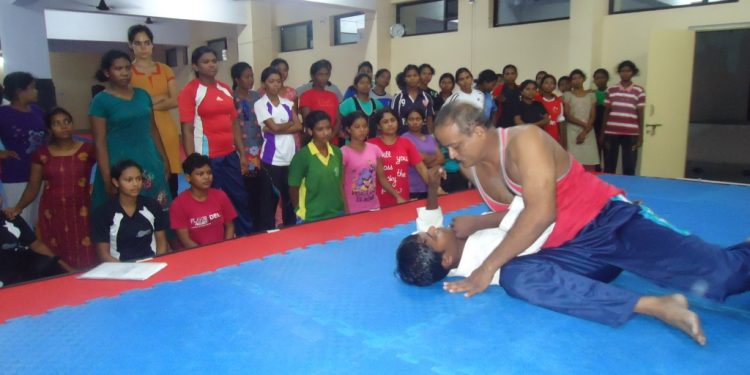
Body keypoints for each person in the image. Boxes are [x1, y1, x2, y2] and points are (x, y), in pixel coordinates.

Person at [431, 101, 750, 345]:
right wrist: (481, 222)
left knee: (725, 277)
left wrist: (485, 268)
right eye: (447, 147)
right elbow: (519, 209)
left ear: (478, 132)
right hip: (572, 250)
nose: (452, 153)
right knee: (516, 275)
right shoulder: (471, 168)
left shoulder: (524, 140)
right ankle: (655, 305)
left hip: (609, 224)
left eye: (456, 145)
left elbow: (542, 213)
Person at [396, 167, 552, 286]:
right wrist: (480, 222)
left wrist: (432, 188)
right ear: (446, 259)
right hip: (553, 213)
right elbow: (537, 219)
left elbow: (428, 224)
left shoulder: (445, 256)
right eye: (432, 235)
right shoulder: (486, 259)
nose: (431, 229)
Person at [3, 108, 97, 270]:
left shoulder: (88, 150)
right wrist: (18, 208)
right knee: (57, 256)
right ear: (49, 128)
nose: (63, 126)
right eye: (57, 123)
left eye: (67, 122)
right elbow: (33, 186)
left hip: (82, 209)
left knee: (87, 255)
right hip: (53, 212)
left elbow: (104, 172)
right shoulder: (41, 154)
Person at [178, 46, 252, 236]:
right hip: (207, 158)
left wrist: (242, 153)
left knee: (239, 197)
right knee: (211, 202)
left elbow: (234, 122)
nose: (211, 65)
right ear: (195, 66)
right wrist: (193, 162)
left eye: (213, 60)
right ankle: (216, 241)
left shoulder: (225, 88)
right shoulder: (190, 91)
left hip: (229, 155)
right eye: (205, 62)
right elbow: (186, 129)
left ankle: (245, 238)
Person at [89, 50, 171, 214]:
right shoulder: (100, 101)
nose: (124, 73)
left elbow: (153, 129)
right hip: (119, 162)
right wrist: (107, 177)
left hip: (149, 159)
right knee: (123, 212)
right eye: (118, 69)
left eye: (127, 68)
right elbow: (100, 141)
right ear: (107, 72)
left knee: (157, 207)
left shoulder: (142, 95)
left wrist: (164, 159)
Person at [127, 24, 182, 198]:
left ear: (152, 45)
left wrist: (148, 103)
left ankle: (171, 223)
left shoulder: (164, 69)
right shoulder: (128, 72)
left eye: (147, 42)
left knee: (171, 182)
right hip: (142, 132)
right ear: (131, 45)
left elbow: (174, 100)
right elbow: (131, 105)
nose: (143, 47)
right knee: (145, 182)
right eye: (138, 43)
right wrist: (160, 97)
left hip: (167, 131)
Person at [91, 160, 168, 262]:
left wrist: (158, 262)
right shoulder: (103, 213)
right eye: (129, 180)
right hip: (120, 269)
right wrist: (126, 270)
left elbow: (161, 242)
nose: (135, 184)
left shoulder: (152, 206)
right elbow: (103, 254)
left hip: (152, 264)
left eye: (139, 179)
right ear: (116, 182)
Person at [255, 67, 302, 229]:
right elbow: (273, 128)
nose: (275, 85)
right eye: (271, 81)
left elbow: (298, 126)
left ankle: (290, 226)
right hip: (271, 158)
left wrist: (276, 128)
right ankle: (267, 230)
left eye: (278, 81)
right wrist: (283, 126)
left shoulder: (288, 103)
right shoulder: (260, 104)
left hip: (290, 157)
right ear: (264, 84)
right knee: (270, 198)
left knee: (289, 195)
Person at [0, 72, 45, 226]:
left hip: (41, 171)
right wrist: (2, 153)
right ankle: (20, 249)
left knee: (40, 218)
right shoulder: (4, 114)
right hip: (16, 173)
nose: (36, 91)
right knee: (19, 218)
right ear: (20, 91)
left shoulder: (38, 111)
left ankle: (37, 249)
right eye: (32, 88)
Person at [170, 153, 237, 248]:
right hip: (195, 254)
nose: (207, 177)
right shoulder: (178, 204)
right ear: (188, 178)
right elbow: (185, 240)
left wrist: (225, 247)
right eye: (200, 174)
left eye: (209, 173)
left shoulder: (220, 196)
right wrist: (205, 254)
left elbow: (230, 227)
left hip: (223, 251)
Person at [288, 111, 344, 223]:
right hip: (311, 216)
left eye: (328, 128)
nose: (326, 133)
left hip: (336, 213)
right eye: (320, 129)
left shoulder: (337, 152)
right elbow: (293, 187)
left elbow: (339, 183)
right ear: (310, 131)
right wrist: (299, 210)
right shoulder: (302, 156)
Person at [367, 109, 429, 208]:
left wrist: (436, 187)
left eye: (393, 120)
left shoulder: (406, 143)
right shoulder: (371, 144)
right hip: (377, 202)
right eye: (385, 122)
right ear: (379, 126)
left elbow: (421, 168)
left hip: (403, 200)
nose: (390, 124)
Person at [340, 112, 399, 214]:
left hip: (374, 207)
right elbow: (340, 185)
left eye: (365, 126)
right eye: (357, 127)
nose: (362, 130)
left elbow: (382, 178)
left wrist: (397, 196)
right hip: (353, 210)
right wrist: (346, 211)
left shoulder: (374, 149)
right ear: (348, 129)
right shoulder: (343, 152)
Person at [0, 205, 72, 287]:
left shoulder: (11, 216)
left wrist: (66, 267)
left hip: (34, 269)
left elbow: (36, 245)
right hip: (10, 280)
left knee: (48, 266)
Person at [231, 62, 264, 231]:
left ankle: (259, 224)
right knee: (245, 188)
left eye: (252, 76)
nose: (251, 80)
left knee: (260, 187)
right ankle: (245, 226)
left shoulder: (257, 97)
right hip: (241, 149)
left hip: (259, 147)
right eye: (247, 77)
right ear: (237, 79)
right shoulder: (231, 98)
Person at [602, 61, 645, 176]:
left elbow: (640, 113)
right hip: (611, 132)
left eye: (628, 71)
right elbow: (606, 112)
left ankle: (629, 190)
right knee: (609, 164)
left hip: (631, 133)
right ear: (619, 73)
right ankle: (608, 189)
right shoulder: (611, 90)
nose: (625, 73)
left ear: (633, 72)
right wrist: (602, 133)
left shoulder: (639, 91)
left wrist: (641, 135)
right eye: (622, 71)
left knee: (629, 166)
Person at [401, 108, 444, 199]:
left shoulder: (430, 138)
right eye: (411, 119)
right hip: (414, 187)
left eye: (418, 119)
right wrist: (431, 158)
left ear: (423, 121)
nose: (415, 122)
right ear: (406, 121)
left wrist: (423, 159)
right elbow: (419, 158)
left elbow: (441, 158)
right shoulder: (404, 139)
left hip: (432, 185)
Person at [562, 69, 599, 171]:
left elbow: (592, 115)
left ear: (583, 79)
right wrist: (584, 125)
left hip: (588, 131)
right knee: (573, 163)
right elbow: (567, 115)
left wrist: (585, 131)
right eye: (574, 78)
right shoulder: (567, 95)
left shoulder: (591, 95)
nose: (577, 80)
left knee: (589, 163)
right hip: (572, 131)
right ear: (571, 81)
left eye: (579, 78)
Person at [299, 60, 342, 145]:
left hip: (333, 141)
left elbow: (338, 120)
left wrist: (331, 136)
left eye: (326, 74)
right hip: (315, 142)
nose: (324, 78)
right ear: (313, 76)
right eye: (320, 74)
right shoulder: (306, 96)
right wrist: (323, 138)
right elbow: (308, 122)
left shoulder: (333, 96)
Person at [392, 65, 435, 134]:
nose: (412, 78)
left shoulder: (426, 97)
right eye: (409, 76)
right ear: (404, 78)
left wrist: (431, 138)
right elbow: (393, 119)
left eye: (415, 75)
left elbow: (429, 121)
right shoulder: (398, 97)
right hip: (403, 138)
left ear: (419, 77)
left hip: (423, 138)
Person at [338, 73, 383, 138]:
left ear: (371, 86)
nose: (365, 85)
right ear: (356, 86)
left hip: (372, 143)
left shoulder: (377, 104)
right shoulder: (349, 103)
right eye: (362, 83)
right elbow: (337, 118)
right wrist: (340, 132)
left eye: (368, 83)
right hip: (353, 144)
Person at [536, 74, 565, 146]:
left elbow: (560, 121)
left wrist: (561, 139)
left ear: (555, 86)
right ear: (541, 85)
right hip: (538, 135)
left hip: (553, 136)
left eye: (552, 83)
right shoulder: (536, 99)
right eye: (546, 83)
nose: (549, 85)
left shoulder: (558, 101)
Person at [591, 68, 609, 169]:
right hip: (594, 126)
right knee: (596, 154)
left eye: (602, 77)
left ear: (607, 78)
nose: (600, 80)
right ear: (594, 80)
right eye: (597, 78)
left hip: (608, 126)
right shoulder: (591, 94)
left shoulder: (611, 93)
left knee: (608, 153)